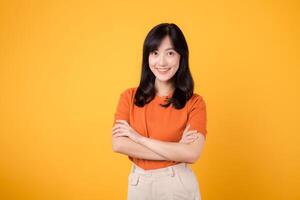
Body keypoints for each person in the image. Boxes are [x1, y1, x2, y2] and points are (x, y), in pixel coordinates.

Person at [111, 23, 207, 200]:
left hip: (176, 184)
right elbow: (119, 144)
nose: (161, 62)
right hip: (138, 184)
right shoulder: (129, 97)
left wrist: (138, 139)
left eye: (170, 53)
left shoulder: (194, 103)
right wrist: (177, 149)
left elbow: (192, 153)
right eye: (155, 53)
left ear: (181, 57)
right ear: (147, 56)